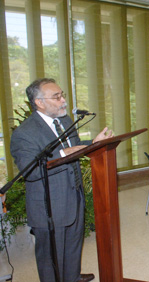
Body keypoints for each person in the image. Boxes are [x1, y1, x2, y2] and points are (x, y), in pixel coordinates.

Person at [10, 78, 113, 282]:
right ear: (39, 102)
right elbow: (30, 170)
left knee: (74, 245)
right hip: (49, 205)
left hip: (73, 195)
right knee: (51, 258)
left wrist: (93, 143)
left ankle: (72, 277)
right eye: (56, 97)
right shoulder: (24, 133)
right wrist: (64, 152)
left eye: (62, 94)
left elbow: (74, 147)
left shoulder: (65, 122)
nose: (63, 100)